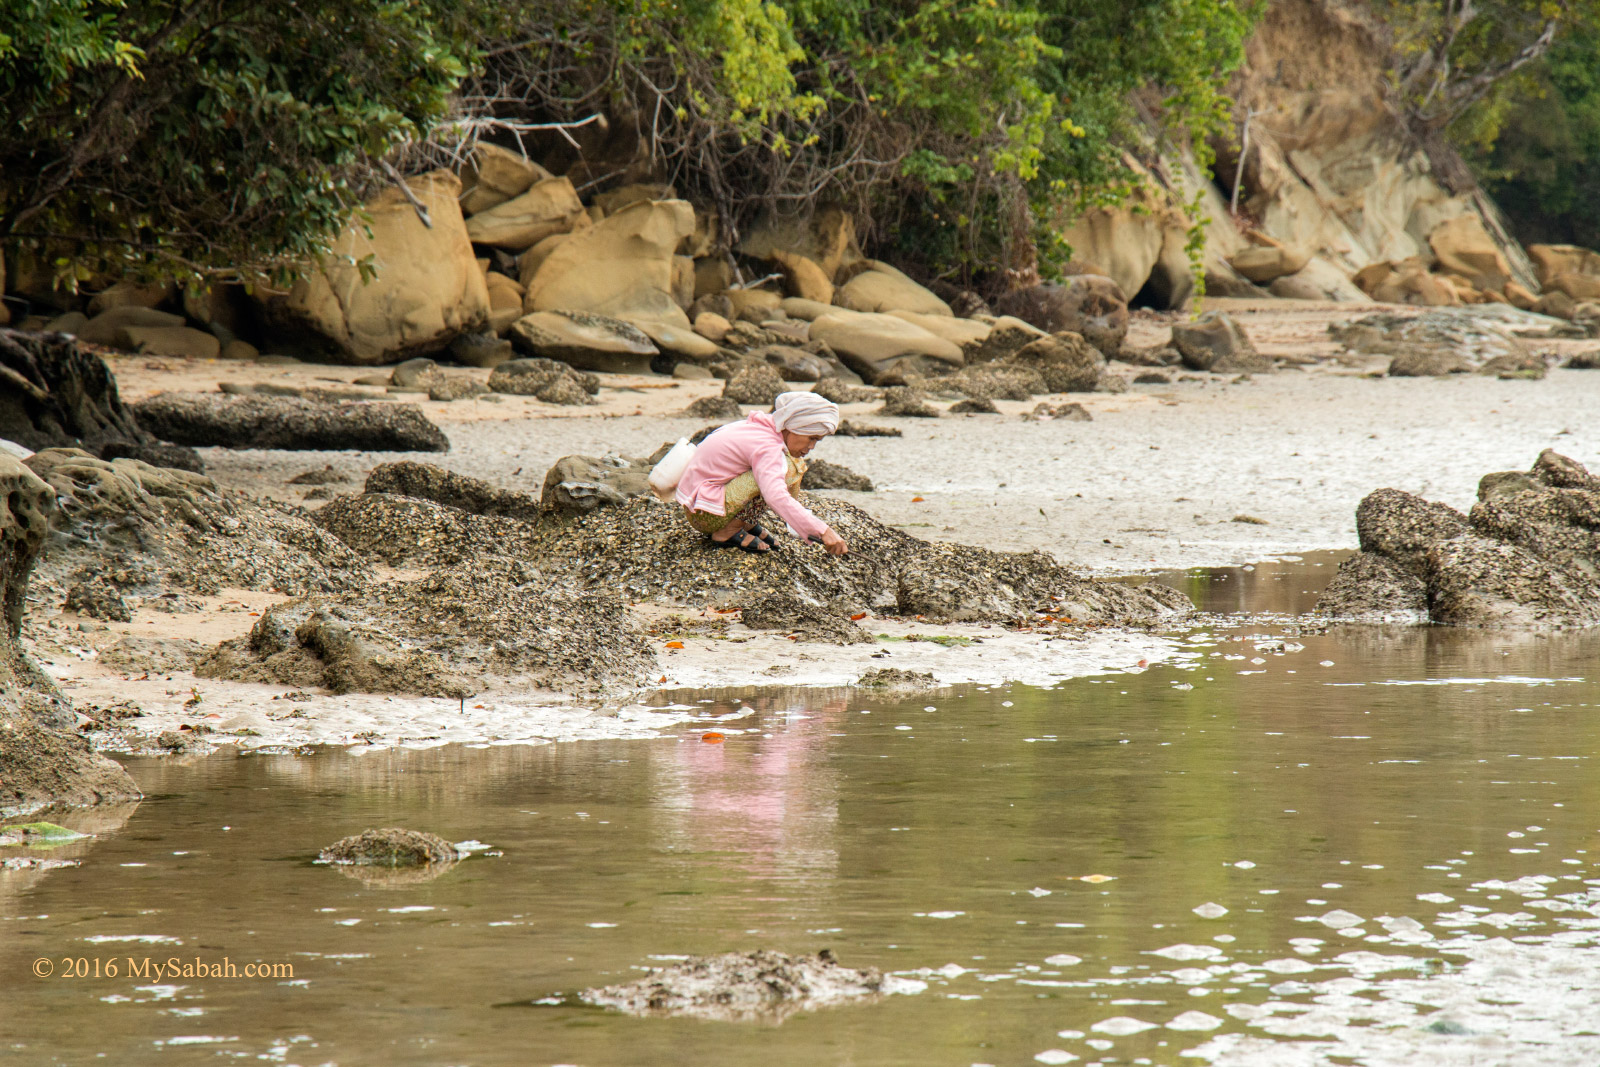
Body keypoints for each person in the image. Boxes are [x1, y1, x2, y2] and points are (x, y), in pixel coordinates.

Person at [676, 391, 850, 556]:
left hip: (700, 506)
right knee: (786, 470)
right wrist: (822, 530)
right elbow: (776, 496)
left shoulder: (761, 427)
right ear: (795, 427)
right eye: (812, 438)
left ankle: (746, 524)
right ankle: (727, 531)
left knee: (778, 468)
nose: (811, 447)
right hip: (706, 515)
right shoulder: (767, 446)